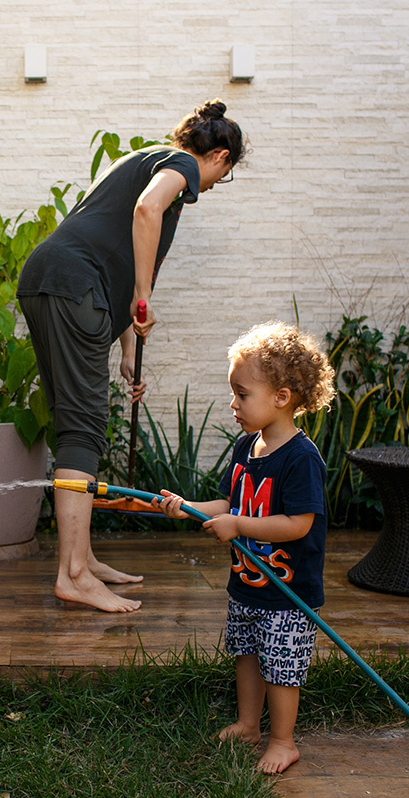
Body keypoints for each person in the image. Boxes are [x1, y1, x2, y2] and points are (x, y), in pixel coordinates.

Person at [17, 99, 247, 613]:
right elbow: (146, 211)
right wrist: (143, 297)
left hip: (47, 280)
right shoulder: (181, 165)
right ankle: (73, 574)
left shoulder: (144, 158)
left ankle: (84, 559)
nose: (212, 186)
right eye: (223, 175)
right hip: (74, 285)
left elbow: (114, 250)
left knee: (72, 423)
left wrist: (126, 346)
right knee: (83, 428)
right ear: (220, 157)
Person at [156, 321, 336, 774]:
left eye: (243, 394)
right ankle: (249, 724)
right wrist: (190, 508)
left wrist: (238, 524)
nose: (233, 404)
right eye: (233, 393)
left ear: (282, 397)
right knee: (247, 655)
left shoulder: (300, 458)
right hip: (247, 585)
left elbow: (299, 524)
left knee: (281, 668)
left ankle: (283, 740)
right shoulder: (244, 449)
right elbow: (228, 503)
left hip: (287, 592)